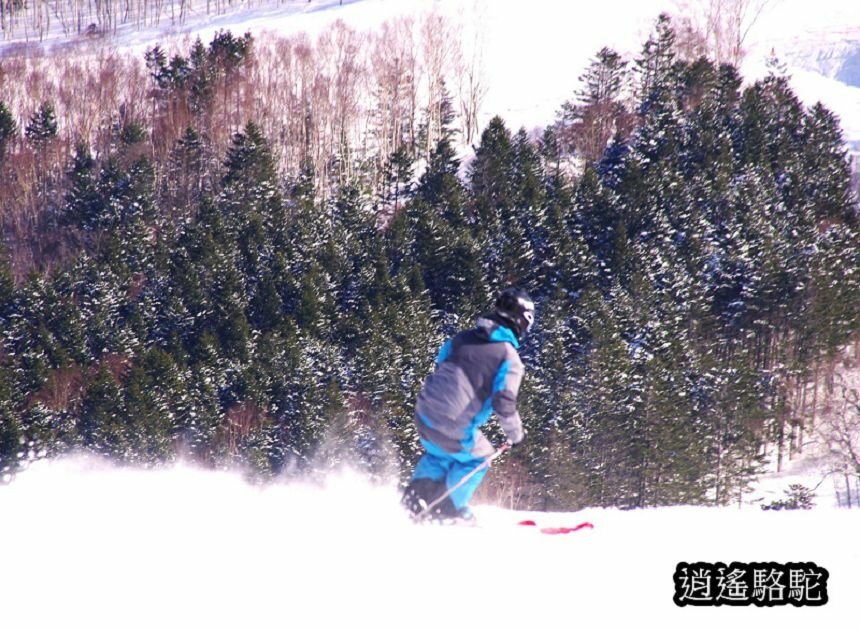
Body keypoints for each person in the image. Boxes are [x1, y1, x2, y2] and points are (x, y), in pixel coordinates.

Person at [402, 287, 535, 522]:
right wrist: (516, 435)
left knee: (439, 455)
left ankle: (415, 500)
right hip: (452, 423)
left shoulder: (462, 338)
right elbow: (504, 402)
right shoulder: (508, 357)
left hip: (424, 414)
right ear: (522, 321)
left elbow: (442, 362)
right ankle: (449, 510)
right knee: (479, 456)